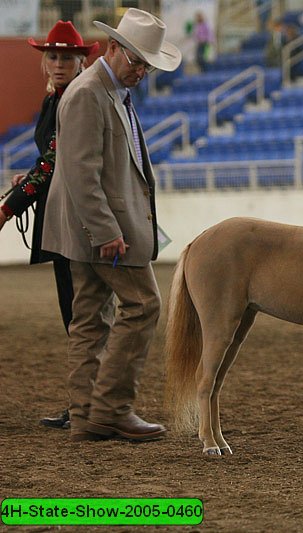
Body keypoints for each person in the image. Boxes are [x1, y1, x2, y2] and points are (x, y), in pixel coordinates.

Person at [41, 8, 181, 443]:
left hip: (90, 230)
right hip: (103, 233)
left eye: (147, 64)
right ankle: (112, 408)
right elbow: (82, 172)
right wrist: (105, 231)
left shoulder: (106, 89)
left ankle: (86, 416)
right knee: (143, 306)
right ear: (113, 48)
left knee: (89, 321)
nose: (141, 70)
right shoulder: (89, 93)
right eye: (136, 60)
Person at [0, 21, 99, 431]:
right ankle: (85, 402)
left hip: (74, 222)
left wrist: (9, 207)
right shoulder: (55, 101)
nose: (58, 63)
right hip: (62, 217)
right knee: (75, 315)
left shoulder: (72, 99)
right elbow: (50, 161)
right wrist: (27, 181)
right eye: (53, 56)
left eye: (66, 57)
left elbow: (54, 162)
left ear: (80, 61)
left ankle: (91, 405)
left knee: (82, 315)